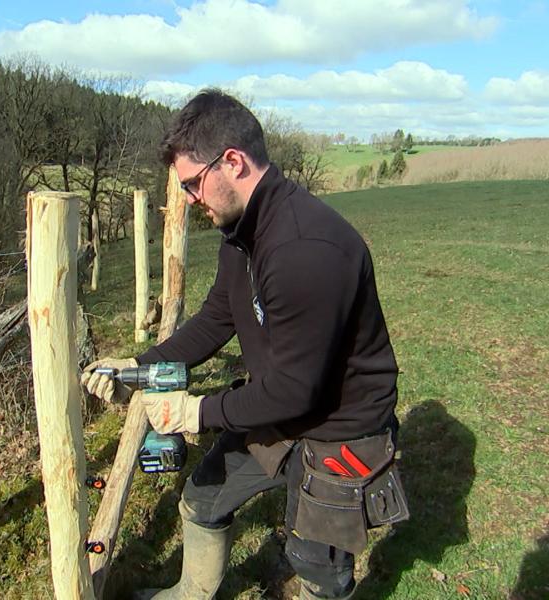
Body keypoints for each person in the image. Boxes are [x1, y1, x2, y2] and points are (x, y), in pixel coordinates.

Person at [81, 89, 406, 600]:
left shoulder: (303, 250)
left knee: (316, 566)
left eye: (191, 184)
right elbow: (216, 319)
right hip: (283, 404)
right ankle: (194, 592)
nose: (188, 199)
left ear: (231, 162)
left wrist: (196, 412)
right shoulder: (243, 232)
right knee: (203, 497)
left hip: (341, 426)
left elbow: (295, 391)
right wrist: (138, 366)